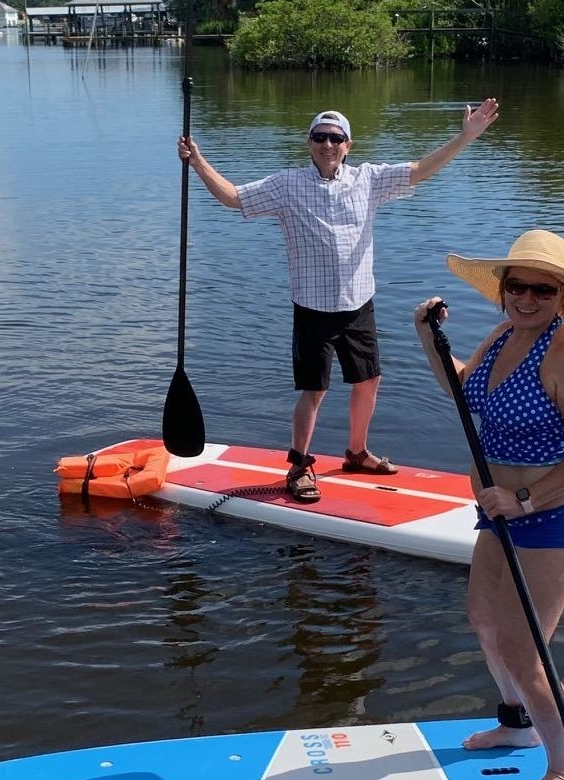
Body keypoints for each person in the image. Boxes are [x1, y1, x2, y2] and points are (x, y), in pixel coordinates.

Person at [177, 100, 500, 502]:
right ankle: (298, 465)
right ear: (309, 143)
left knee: (369, 380)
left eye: (335, 138)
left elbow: (422, 168)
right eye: (320, 137)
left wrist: (465, 137)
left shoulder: (368, 179)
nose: (327, 144)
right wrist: (198, 162)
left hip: (358, 304)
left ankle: (357, 452)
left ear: (348, 144)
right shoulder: (287, 185)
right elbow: (233, 198)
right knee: (315, 390)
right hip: (313, 308)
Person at [413, 229, 564, 780]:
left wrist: (527, 497)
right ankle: (518, 724)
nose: (526, 299)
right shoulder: (503, 334)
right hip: (501, 510)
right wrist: (429, 339)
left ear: (562, 297)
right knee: (482, 619)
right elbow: (465, 392)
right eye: (517, 287)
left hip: (555, 515)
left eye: (542, 289)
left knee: (522, 647)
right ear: (503, 291)